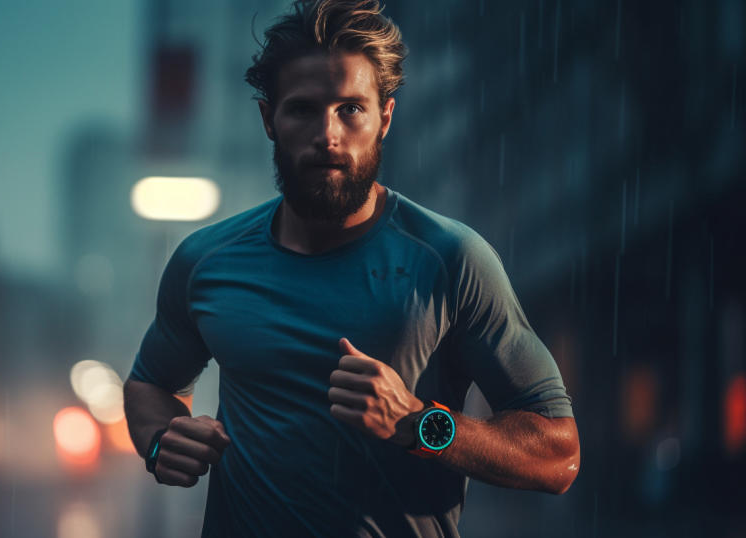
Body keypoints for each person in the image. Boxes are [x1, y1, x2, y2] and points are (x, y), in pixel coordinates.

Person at [123, 0, 580, 536]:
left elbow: (558, 455)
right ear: (269, 119)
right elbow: (150, 386)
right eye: (302, 109)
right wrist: (161, 442)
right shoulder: (206, 261)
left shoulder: (451, 259)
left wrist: (417, 424)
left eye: (350, 109)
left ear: (385, 117)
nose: (328, 134)